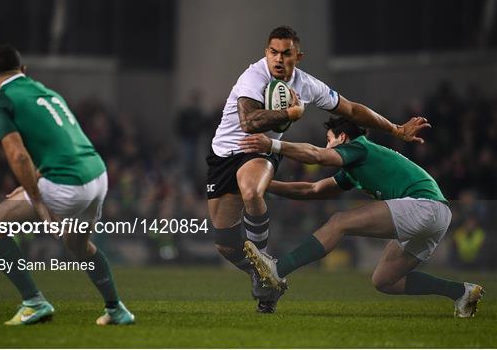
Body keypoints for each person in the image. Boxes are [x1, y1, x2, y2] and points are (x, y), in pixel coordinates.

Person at [207, 25, 430, 313]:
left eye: (286, 53)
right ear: (266, 53)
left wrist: (396, 129)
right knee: (225, 244)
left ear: (297, 56)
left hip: (261, 150)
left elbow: (351, 110)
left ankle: (265, 263)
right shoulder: (254, 76)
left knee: (251, 190)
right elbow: (248, 122)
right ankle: (263, 277)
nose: (278, 58)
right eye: (273, 52)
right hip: (223, 154)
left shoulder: (306, 84)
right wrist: (291, 113)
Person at [239, 116, 484, 317]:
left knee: (339, 222)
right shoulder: (354, 168)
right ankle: (461, 292)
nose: (326, 146)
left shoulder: (358, 148)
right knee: (385, 280)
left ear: (342, 137)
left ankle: (278, 270)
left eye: (328, 140)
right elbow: (312, 190)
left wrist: (273, 145)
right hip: (437, 215)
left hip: (423, 206)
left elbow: (317, 156)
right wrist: (264, 185)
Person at [0, 44, 134, 325]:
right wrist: (32, 185)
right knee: (78, 246)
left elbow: (18, 155)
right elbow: (61, 145)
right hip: (97, 176)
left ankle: (33, 302)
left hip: (67, 185)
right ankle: (116, 309)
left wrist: (36, 198)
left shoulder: (1, 102)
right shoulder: (46, 92)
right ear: (23, 70)